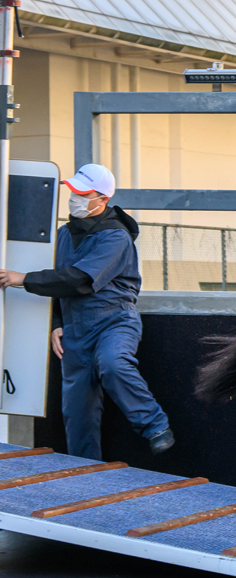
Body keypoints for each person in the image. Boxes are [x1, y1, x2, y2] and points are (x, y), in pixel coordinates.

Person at [0, 164, 173, 460]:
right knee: (77, 412)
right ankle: (84, 474)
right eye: (73, 191)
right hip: (75, 330)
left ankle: (156, 426)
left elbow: (80, 279)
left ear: (103, 199)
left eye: (83, 193)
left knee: (113, 363)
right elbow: (58, 278)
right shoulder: (64, 234)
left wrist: (22, 278)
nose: (74, 197)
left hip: (114, 321)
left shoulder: (116, 238)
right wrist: (56, 322)